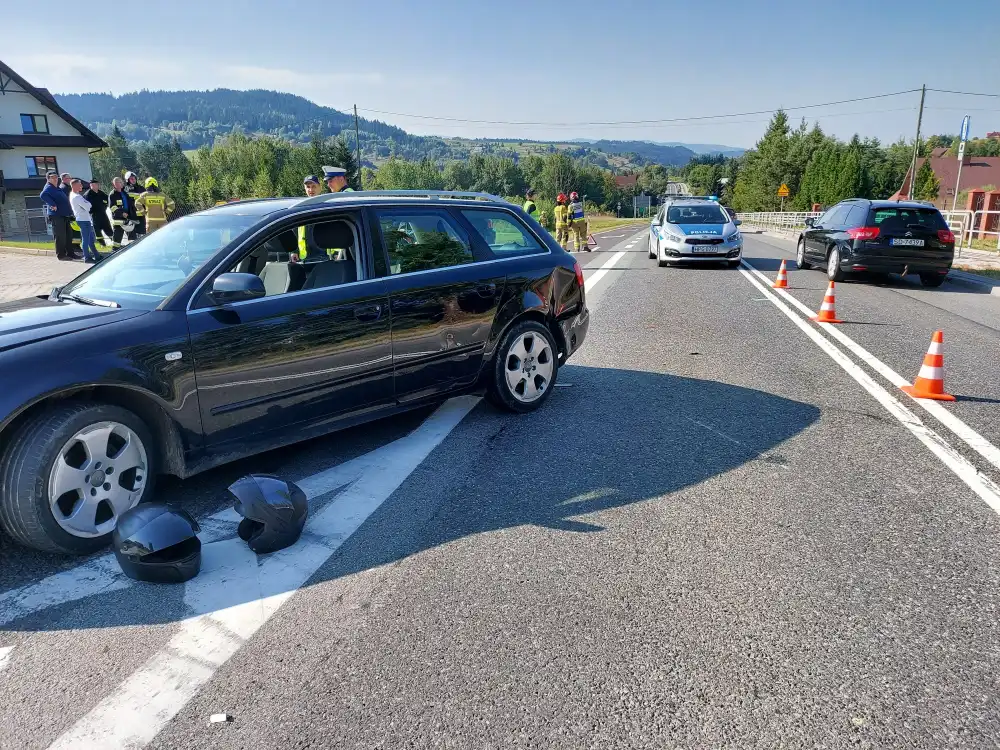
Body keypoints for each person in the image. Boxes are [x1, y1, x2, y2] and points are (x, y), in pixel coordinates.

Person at [39, 171, 76, 260]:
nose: (55, 179)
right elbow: (42, 195)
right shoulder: (48, 187)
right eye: (52, 177)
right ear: (48, 179)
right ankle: (61, 255)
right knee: (60, 236)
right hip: (57, 216)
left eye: (56, 177)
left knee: (68, 235)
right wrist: (52, 204)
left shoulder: (56, 188)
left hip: (64, 215)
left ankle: (70, 253)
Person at [69, 178, 100, 263]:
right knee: (86, 239)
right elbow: (88, 206)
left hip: (85, 219)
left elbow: (87, 205)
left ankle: (96, 255)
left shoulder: (76, 195)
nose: (81, 186)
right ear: (75, 185)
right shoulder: (76, 197)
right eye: (80, 184)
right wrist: (88, 204)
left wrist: (87, 204)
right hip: (83, 220)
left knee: (90, 239)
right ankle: (87, 257)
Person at [295, 175, 325, 262]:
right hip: (304, 257)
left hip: (324, 257)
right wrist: (294, 251)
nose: (311, 190)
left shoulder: (326, 208)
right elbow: (295, 232)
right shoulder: (300, 209)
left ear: (320, 188)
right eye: (308, 187)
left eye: (313, 186)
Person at [84, 178, 113, 248]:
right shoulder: (88, 194)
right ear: (91, 185)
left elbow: (108, 199)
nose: (95, 186)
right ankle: (102, 244)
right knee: (97, 230)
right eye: (93, 185)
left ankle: (113, 240)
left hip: (103, 213)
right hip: (94, 214)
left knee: (107, 227)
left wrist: (105, 206)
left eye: (96, 184)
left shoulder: (101, 193)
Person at [108, 177, 135, 248]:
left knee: (132, 238)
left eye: (121, 182)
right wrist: (122, 213)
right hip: (118, 221)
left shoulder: (124, 193)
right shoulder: (112, 194)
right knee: (117, 240)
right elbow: (112, 207)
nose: (122, 183)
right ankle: (115, 251)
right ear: (115, 184)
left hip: (127, 219)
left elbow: (129, 205)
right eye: (119, 182)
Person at [123, 171, 146, 236]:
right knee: (133, 237)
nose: (133, 180)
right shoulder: (125, 190)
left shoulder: (141, 188)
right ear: (128, 180)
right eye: (131, 179)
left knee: (143, 234)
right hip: (131, 216)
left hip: (141, 215)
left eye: (134, 178)